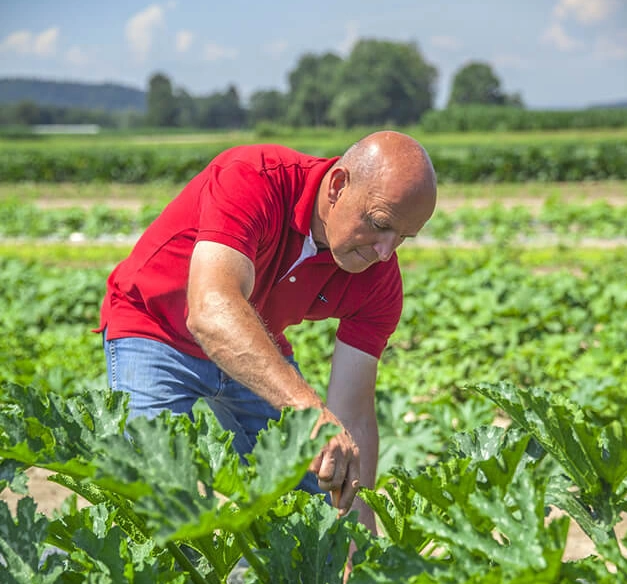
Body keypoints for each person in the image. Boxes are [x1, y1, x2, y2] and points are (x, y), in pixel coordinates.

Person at [97, 130, 437, 533]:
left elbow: (354, 414)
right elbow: (211, 312)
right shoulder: (253, 178)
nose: (385, 251)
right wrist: (307, 412)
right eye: (380, 224)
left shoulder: (379, 279)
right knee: (161, 504)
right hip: (154, 330)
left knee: (316, 506)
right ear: (338, 186)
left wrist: (358, 542)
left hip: (251, 348)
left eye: (403, 237)